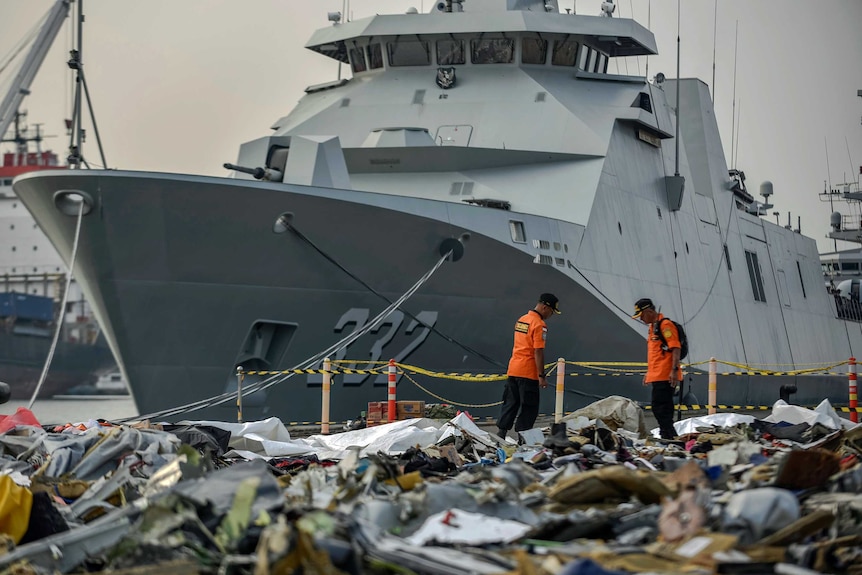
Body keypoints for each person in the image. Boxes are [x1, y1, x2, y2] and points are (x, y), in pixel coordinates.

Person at [497, 293, 561, 439]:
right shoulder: (539, 325)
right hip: (528, 372)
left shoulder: (522, 320)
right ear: (545, 307)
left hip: (513, 369)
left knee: (510, 403)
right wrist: (541, 376)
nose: (551, 315)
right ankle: (523, 438)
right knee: (529, 407)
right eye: (551, 311)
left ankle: (501, 435)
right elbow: (538, 351)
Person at [632, 297, 682, 440]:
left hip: (666, 375)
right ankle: (667, 435)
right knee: (660, 408)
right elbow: (656, 354)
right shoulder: (652, 328)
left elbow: (675, 347)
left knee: (661, 408)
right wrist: (649, 373)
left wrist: (674, 370)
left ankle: (669, 436)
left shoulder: (665, 325)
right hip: (657, 375)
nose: (641, 319)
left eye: (641, 315)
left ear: (648, 312)